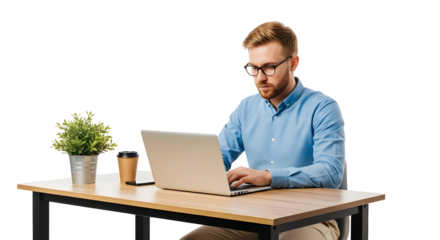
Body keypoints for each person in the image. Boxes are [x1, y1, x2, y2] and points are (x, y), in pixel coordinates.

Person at [178, 20, 346, 240]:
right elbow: (218, 156)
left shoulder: (324, 107)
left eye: (269, 67)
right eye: (252, 68)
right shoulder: (245, 107)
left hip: (311, 217)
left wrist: (269, 177)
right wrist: (196, 172)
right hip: (254, 216)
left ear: (294, 63)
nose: (259, 78)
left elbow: (331, 172)